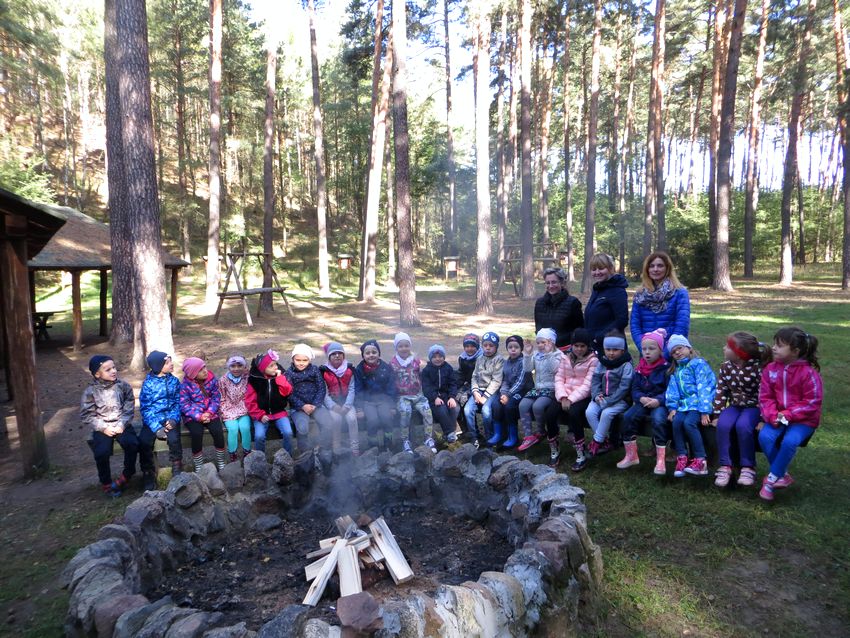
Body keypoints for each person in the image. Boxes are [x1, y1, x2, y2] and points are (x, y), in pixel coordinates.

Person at [757, 327, 822, 502]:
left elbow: (812, 402)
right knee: (764, 437)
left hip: (804, 421)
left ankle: (770, 480)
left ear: (795, 351)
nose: (774, 348)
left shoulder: (809, 374)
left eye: (779, 345)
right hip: (777, 417)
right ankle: (782, 474)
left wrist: (788, 414)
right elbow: (765, 397)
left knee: (790, 441)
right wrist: (772, 415)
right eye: (774, 344)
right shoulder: (770, 369)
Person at [712, 332, 771, 488]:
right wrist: (717, 413)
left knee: (743, 426)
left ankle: (747, 467)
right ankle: (725, 466)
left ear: (739, 353)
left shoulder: (758, 369)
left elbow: (765, 395)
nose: (724, 348)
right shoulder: (726, 367)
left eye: (728, 346)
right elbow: (721, 390)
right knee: (723, 425)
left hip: (754, 407)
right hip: (735, 405)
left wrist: (763, 418)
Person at [81, 355, 138, 497]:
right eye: (108, 370)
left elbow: (129, 405)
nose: (113, 371)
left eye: (114, 367)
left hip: (121, 424)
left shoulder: (123, 386)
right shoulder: (90, 391)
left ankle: (127, 475)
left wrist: (122, 424)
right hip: (103, 426)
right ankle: (106, 483)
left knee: (132, 444)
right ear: (97, 374)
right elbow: (87, 414)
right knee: (101, 452)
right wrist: (103, 428)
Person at [616, 330, 670, 472]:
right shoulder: (639, 368)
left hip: (659, 403)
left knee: (658, 420)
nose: (647, 352)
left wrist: (659, 400)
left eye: (652, 348)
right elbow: (634, 389)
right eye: (644, 348)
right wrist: (640, 397)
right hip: (644, 401)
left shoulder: (666, 369)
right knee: (628, 416)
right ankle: (631, 455)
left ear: (660, 349)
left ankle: (660, 459)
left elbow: (670, 390)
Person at [665, 335, 716, 478]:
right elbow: (672, 390)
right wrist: (672, 408)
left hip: (698, 405)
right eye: (674, 352)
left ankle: (701, 460)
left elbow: (705, 387)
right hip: (684, 406)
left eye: (680, 348)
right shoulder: (676, 370)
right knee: (676, 423)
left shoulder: (698, 364)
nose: (677, 353)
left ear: (689, 348)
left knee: (689, 424)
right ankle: (682, 457)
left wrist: (705, 411)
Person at [547, 328, 597, 470]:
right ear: (571, 346)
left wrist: (571, 399)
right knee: (550, 413)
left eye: (582, 346)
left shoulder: (593, 361)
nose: (579, 349)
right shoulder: (565, 357)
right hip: (564, 395)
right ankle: (554, 449)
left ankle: (580, 452)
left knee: (574, 414)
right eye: (576, 346)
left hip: (581, 397)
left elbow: (587, 385)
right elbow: (559, 378)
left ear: (588, 346)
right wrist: (563, 396)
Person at [585, 330, 634, 457]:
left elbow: (624, 387)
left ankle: (596, 442)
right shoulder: (602, 362)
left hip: (620, 400)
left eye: (615, 350)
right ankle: (604, 441)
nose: (611, 353)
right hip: (601, 398)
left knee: (606, 413)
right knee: (589, 412)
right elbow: (595, 379)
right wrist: (596, 395)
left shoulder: (626, 365)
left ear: (622, 350)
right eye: (608, 349)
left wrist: (609, 401)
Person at [630, 251, 691, 351]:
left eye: (660, 266)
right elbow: (635, 325)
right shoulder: (640, 294)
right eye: (651, 266)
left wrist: (667, 352)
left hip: (672, 352)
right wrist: (645, 349)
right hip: (647, 355)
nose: (655, 269)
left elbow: (682, 326)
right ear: (647, 269)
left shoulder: (680, 293)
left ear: (667, 268)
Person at [285, 343, 336, 460]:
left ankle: (324, 449)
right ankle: (306, 454)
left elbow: (321, 388)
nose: (301, 363)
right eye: (298, 360)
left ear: (309, 360)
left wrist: (315, 404)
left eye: (305, 360)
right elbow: (289, 393)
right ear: (293, 359)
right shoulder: (289, 373)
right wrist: (303, 406)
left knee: (328, 422)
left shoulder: (314, 370)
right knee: (302, 427)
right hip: (299, 408)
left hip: (316, 405)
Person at [139, 350, 182, 485]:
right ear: (158, 366)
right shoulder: (148, 384)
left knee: (174, 439)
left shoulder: (174, 381)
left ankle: (176, 466)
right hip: (153, 419)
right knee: (144, 442)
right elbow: (145, 408)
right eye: (167, 363)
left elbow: (178, 402)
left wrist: (174, 419)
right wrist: (157, 428)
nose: (171, 364)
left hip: (170, 417)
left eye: (170, 361)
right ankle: (148, 472)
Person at [517, 328, 564, 452]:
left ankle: (541, 431)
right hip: (537, 388)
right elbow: (527, 369)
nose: (540, 345)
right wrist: (527, 354)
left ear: (552, 342)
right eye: (538, 342)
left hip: (552, 389)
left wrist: (549, 354)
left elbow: (554, 369)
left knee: (538, 406)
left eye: (543, 342)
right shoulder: (537, 355)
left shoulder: (559, 355)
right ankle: (528, 435)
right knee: (523, 405)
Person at [389, 333, 436, 454]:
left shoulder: (415, 360)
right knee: (406, 412)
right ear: (396, 348)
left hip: (417, 395)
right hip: (402, 396)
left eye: (406, 345)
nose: (404, 348)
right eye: (401, 346)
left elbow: (419, 376)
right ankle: (405, 440)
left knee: (427, 411)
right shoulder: (393, 363)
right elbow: (390, 382)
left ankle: (428, 438)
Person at [179, 357, 226, 472]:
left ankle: (221, 462)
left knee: (218, 431)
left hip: (210, 413)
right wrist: (199, 416)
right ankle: (199, 465)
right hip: (193, 417)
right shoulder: (185, 386)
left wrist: (209, 412)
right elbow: (184, 405)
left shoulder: (211, 380)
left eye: (204, 367)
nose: (205, 370)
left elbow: (216, 398)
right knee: (196, 433)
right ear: (193, 374)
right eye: (200, 370)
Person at [246, 349, 294, 455]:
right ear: (263, 369)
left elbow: (287, 391)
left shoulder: (280, 377)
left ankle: (287, 457)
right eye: (271, 366)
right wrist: (259, 415)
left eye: (275, 364)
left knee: (288, 432)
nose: (276, 367)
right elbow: (250, 402)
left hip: (279, 412)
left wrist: (280, 379)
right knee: (259, 436)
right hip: (260, 414)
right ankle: (259, 458)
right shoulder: (255, 380)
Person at [489, 335, 532, 448]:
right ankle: (499, 434)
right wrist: (503, 393)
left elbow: (520, 382)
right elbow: (505, 380)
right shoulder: (507, 362)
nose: (513, 350)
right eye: (510, 347)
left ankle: (513, 437)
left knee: (509, 406)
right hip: (508, 392)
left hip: (523, 391)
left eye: (516, 347)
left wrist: (508, 395)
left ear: (521, 348)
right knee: (496, 404)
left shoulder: (523, 362)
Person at [354, 339, 398, 450]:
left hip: (383, 400)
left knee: (387, 418)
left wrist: (392, 406)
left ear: (379, 354)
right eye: (367, 353)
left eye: (374, 352)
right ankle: (373, 445)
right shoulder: (360, 370)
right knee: (373, 421)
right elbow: (358, 389)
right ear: (363, 355)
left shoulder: (386, 368)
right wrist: (359, 408)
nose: (371, 355)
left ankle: (388, 443)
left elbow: (391, 387)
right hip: (368, 402)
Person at [583, 253, 629, 354]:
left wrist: (599, 337)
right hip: (595, 347)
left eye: (601, 268)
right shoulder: (597, 289)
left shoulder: (617, 291)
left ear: (610, 268)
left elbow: (622, 320)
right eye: (594, 269)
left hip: (611, 348)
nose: (597, 272)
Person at [464, 331, 505, 446]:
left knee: (486, 411)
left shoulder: (499, 360)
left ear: (496, 347)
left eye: (491, 346)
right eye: (485, 345)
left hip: (492, 392)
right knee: (467, 410)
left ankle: (490, 437)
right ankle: (474, 436)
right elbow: (474, 377)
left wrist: (485, 396)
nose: (488, 348)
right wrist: (475, 392)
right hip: (478, 391)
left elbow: (496, 381)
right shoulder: (480, 359)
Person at [320, 342, 359, 456]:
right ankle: (336, 448)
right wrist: (332, 406)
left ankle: (355, 448)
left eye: (340, 353)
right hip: (333, 404)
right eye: (334, 354)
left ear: (344, 356)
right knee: (336, 420)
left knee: (352, 419)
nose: (337, 356)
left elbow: (352, 389)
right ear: (329, 357)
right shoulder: (324, 372)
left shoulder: (349, 370)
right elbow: (324, 392)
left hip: (347, 403)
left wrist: (347, 406)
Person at [534, 267, 584, 351]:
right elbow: (538, 328)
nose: (550, 286)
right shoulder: (539, 303)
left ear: (562, 283)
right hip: (544, 351)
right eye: (547, 283)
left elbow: (578, 330)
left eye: (554, 282)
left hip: (566, 351)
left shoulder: (573, 303)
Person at [421, 344, 460, 445]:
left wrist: (452, 397)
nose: (437, 359)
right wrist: (434, 397)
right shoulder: (427, 370)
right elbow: (426, 387)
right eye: (434, 357)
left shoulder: (448, 368)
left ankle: (449, 434)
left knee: (455, 408)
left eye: (440, 356)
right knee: (442, 409)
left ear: (444, 357)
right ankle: (450, 433)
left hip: (446, 395)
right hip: (433, 399)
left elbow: (453, 384)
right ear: (430, 358)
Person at [219, 354, 251, 462]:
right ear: (228, 367)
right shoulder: (223, 380)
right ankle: (232, 453)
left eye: (239, 365)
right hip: (229, 410)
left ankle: (247, 451)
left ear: (244, 366)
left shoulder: (247, 377)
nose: (236, 369)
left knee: (245, 427)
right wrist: (224, 411)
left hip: (243, 409)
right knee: (233, 429)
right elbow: (221, 397)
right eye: (233, 366)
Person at [455, 333, 482, 433]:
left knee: (464, 399)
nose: (469, 349)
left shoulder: (481, 357)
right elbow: (461, 373)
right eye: (467, 346)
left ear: (477, 346)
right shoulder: (463, 358)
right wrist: (457, 386)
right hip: (467, 384)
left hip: (479, 386)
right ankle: (463, 427)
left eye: (472, 346)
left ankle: (474, 431)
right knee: (455, 397)